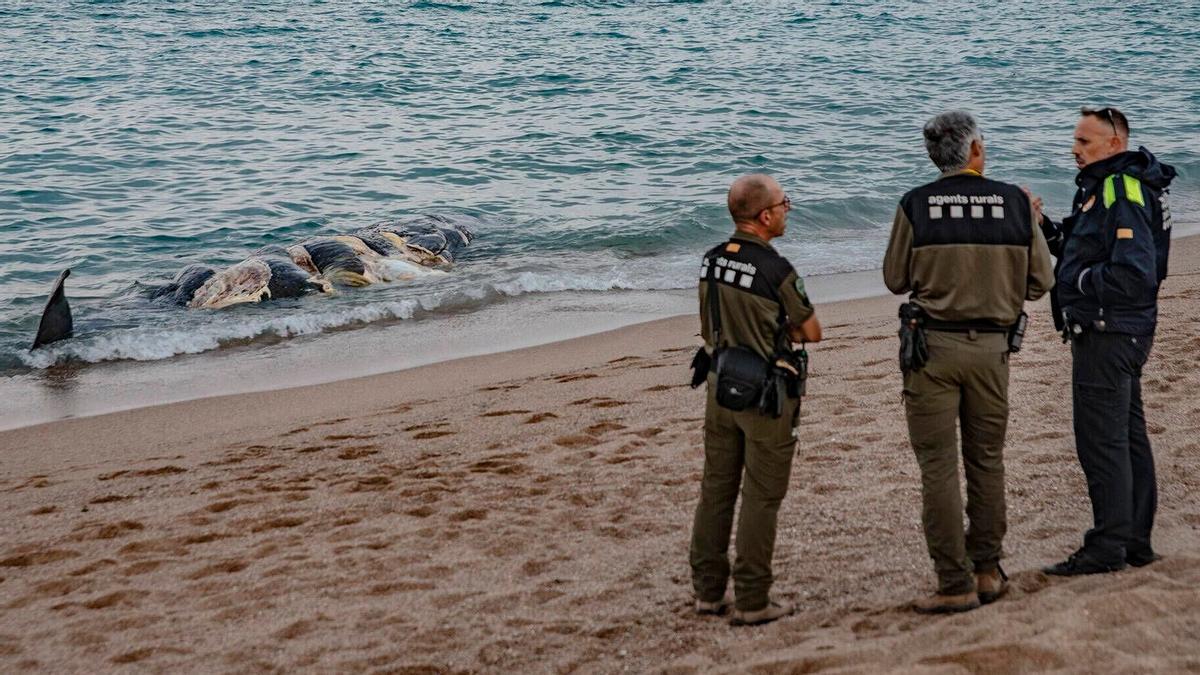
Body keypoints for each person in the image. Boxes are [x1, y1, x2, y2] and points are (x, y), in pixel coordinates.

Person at [883, 111, 1054, 613]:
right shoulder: (1015, 205)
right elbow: (1040, 284)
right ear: (976, 150)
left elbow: (895, 278)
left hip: (932, 348)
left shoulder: (915, 204)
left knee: (937, 467)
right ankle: (986, 569)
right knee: (986, 460)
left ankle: (952, 581)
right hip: (992, 351)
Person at [1035, 107, 1176, 576]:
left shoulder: (1120, 187)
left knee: (1101, 440)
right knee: (1126, 434)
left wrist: (1079, 282)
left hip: (1110, 329)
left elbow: (1134, 272)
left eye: (1085, 142)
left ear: (1115, 143)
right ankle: (1134, 541)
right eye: (1075, 140)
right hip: (1121, 328)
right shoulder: (1108, 185)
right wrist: (1043, 228)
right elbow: (1081, 246)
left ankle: (1107, 546)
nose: (1075, 149)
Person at [689, 174, 822, 626]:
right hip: (765, 392)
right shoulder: (774, 269)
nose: (789, 209)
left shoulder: (710, 261)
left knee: (716, 490)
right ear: (765, 216)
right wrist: (776, 329)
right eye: (786, 203)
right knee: (761, 497)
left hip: (719, 383)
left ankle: (707, 592)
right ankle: (751, 598)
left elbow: (710, 325)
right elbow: (811, 331)